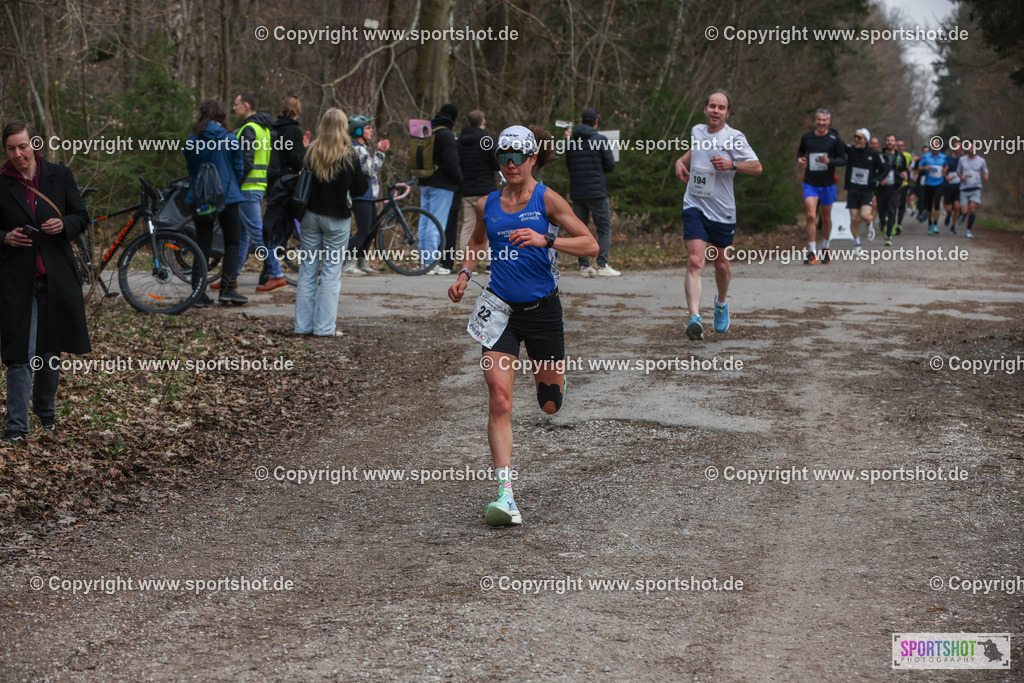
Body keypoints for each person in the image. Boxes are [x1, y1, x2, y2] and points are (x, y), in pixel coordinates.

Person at [447, 125, 598, 526]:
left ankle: (551, 382)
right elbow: (478, 242)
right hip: (500, 311)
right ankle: (505, 494)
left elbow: (590, 245)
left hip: (543, 312)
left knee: (550, 404)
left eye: (518, 156)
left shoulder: (547, 199)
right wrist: (464, 273)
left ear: (533, 158)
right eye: (503, 156)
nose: (510, 164)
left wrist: (546, 240)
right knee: (499, 398)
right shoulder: (487, 203)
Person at [0, 120, 91, 444]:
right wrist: (5, 237)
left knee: (50, 351)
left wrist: (63, 224)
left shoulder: (59, 175)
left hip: (56, 279)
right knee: (19, 353)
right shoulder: (2, 182)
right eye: (11, 148)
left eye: (22, 146)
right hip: (16, 281)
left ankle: (46, 414)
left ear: (34, 145)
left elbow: (82, 216)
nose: (18, 154)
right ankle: (17, 427)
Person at [674, 90, 762, 341]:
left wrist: (732, 164)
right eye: (712, 106)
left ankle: (721, 303)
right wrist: (681, 161)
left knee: (721, 264)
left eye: (721, 107)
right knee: (694, 261)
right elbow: (695, 151)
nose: (715, 110)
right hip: (694, 204)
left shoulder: (735, 138)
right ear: (705, 109)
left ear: (727, 113)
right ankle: (694, 318)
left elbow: (757, 167)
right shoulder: (697, 131)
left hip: (722, 211)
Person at [293, 108, 369, 337]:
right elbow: (360, 189)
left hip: (310, 217)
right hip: (337, 219)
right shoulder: (349, 154)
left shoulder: (311, 151)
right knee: (330, 274)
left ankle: (302, 326)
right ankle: (324, 328)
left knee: (307, 271)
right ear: (343, 127)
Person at [183, 100, 248, 307]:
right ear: (221, 115)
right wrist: (230, 185)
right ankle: (227, 290)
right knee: (232, 242)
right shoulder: (230, 138)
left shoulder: (193, 139)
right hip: (228, 196)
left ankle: (198, 293)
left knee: (202, 243)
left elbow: (191, 167)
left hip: (201, 197)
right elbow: (239, 167)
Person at [230, 90, 286, 292]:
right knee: (244, 237)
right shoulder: (263, 129)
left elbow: (246, 161)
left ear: (246, 106)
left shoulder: (248, 129)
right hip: (257, 187)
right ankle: (231, 277)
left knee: (257, 234)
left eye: (236, 104)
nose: (233, 108)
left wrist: (234, 184)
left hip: (246, 189)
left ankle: (277, 275)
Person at [566, 107, 619, 276]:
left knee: (580, 229)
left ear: (581, 121)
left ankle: (584, 266)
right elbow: (610, 166)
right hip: (597, 192)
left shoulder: (571, 142)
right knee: (603, 229)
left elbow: (569, 166)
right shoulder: (600, 140)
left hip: (577, 192)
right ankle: (602, 265)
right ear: (596, 122)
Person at [797, 109, 846, 264]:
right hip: (810, 182)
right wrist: (800, 160)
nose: (821, 123)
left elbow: (843, 160)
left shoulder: (834, 139)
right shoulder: (807, 137)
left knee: (825, 218)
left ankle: (826, 247)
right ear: (815, 121)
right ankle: (812, 252)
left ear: (828, 122)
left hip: (827, 184)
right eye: (819, 120)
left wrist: (829, 162)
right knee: (811, 215)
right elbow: (800, 153)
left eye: (824, 120)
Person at [418, 103, 462, 275]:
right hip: (442, 185)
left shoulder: (427, 131)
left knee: (424, 221)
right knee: (436, 223)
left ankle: (424, 262)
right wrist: (459, 179)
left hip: (424, 182)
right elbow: (452, 162)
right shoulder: (446, 135)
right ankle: (430, 263)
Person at [344, 114, 390, 276]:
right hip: (360, 195)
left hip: (368, 194)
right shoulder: (356, 148)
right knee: (363, 229)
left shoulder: (363, 148)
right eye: (368, 128)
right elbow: (370, 169)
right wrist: (380, 152)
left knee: (371, 229)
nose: (371, 130)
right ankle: (347, 263)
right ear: (358, 131)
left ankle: (362, 261)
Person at [456, 110, 500, 271]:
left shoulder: (460, 141)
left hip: (467, 188)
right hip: (485, 188)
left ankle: (466, 264)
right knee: (489, 224)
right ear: (483, 122)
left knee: (468, 225)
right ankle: (489, 262)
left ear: (468, 123)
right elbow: (497, 164)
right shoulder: (487, 140)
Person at [842, 128, 884, 253]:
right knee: (854, 218)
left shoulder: (873, 154)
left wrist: (878, 179)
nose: (856, 139)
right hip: (853, 190)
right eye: (855, 136)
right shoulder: (851, 151)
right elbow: (841, 145)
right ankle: (857, 246)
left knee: (865, 215)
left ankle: (869, 224)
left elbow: (885, 167)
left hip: (866, 191)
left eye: (859, 138)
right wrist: (833, 133)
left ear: (866, 140)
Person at [876, 133, 909, 247]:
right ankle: (882, 222)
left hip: (894, 187)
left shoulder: (900, 157)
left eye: (892, 140)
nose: (890, 142)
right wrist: (879, 179)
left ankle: (888, 236)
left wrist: (905, 175)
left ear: (894, 143)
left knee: (892, 210)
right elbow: (875, 169)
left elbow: (904, 170)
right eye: (888, 140)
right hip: (881, 188)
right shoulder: (880, 156)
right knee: (881, 210)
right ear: (885, 142)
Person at [957, 141, 988, 239]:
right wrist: (961, 176)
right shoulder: (962, 159)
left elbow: (985, 170)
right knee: (965, 211)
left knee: (973, 208)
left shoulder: (981, 160)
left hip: (976, 187)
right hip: (964, 188)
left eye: (973, 148)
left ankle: (968, 230)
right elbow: (958, 171)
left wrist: (986, 175)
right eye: (969, 148)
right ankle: (962, 215)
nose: (971, 150)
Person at [917, 141, 947, 235]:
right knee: (929, 206)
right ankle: (930, 223)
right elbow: (919, 168)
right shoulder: (926, 156)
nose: (935, 147)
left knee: (937, 203)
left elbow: (946, 166)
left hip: (939, 183)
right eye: (934, 146)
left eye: (937, 146)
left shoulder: (943, 157)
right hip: (928, 184)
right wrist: (926, 168)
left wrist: (945, 170)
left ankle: (935, 224)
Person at [895, 138, 914, 234]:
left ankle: (899, 224)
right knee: (893, 204)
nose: (899, 147)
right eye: (898, 145)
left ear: (904, 147)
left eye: (901, 146)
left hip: (904, 183)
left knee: (902, 204)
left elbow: (913, 164)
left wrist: (911, 167)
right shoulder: (892, 155)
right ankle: (892, 223)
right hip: (893, 183)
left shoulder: (908, 155)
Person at [942, 141, 962, 233]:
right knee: (949, 208)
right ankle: (948, 215)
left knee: (957, 207)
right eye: (955, 146)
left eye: (959, 146)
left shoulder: (962, 159)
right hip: (948, 186)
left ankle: (953, 225)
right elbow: (944, 169)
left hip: (958, 186)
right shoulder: (948, 158)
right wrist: (945, 176)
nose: (957, 148)